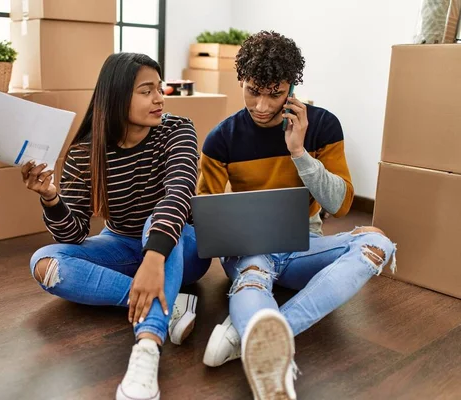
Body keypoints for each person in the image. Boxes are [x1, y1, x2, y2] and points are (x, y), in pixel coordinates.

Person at [197, 31, 396, 400]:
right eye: (252, 90)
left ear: (292, 86)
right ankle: (266, 347)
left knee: (377, 243)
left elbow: (340, 206)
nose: (261, 105)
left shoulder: (322, 126)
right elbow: (204, 216)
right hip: (249, 247)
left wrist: (300, 153)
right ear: (241, 81)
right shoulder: (220, 139)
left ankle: (249, 333)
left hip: (305, 245)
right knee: (255, 270)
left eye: (275, 93)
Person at [22, 52, 211, 400]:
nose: (159, 98)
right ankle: (170, 305)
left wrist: (154, 261)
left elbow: (179, 193)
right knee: (45, 263)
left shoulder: (177, 129)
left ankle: (148, 345)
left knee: (157, 217)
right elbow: (75, 234)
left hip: (182, 246)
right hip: (122, 243)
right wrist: (50, 196)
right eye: (146, 91)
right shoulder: (85, 152)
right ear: (117, 96)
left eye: (159, 89)